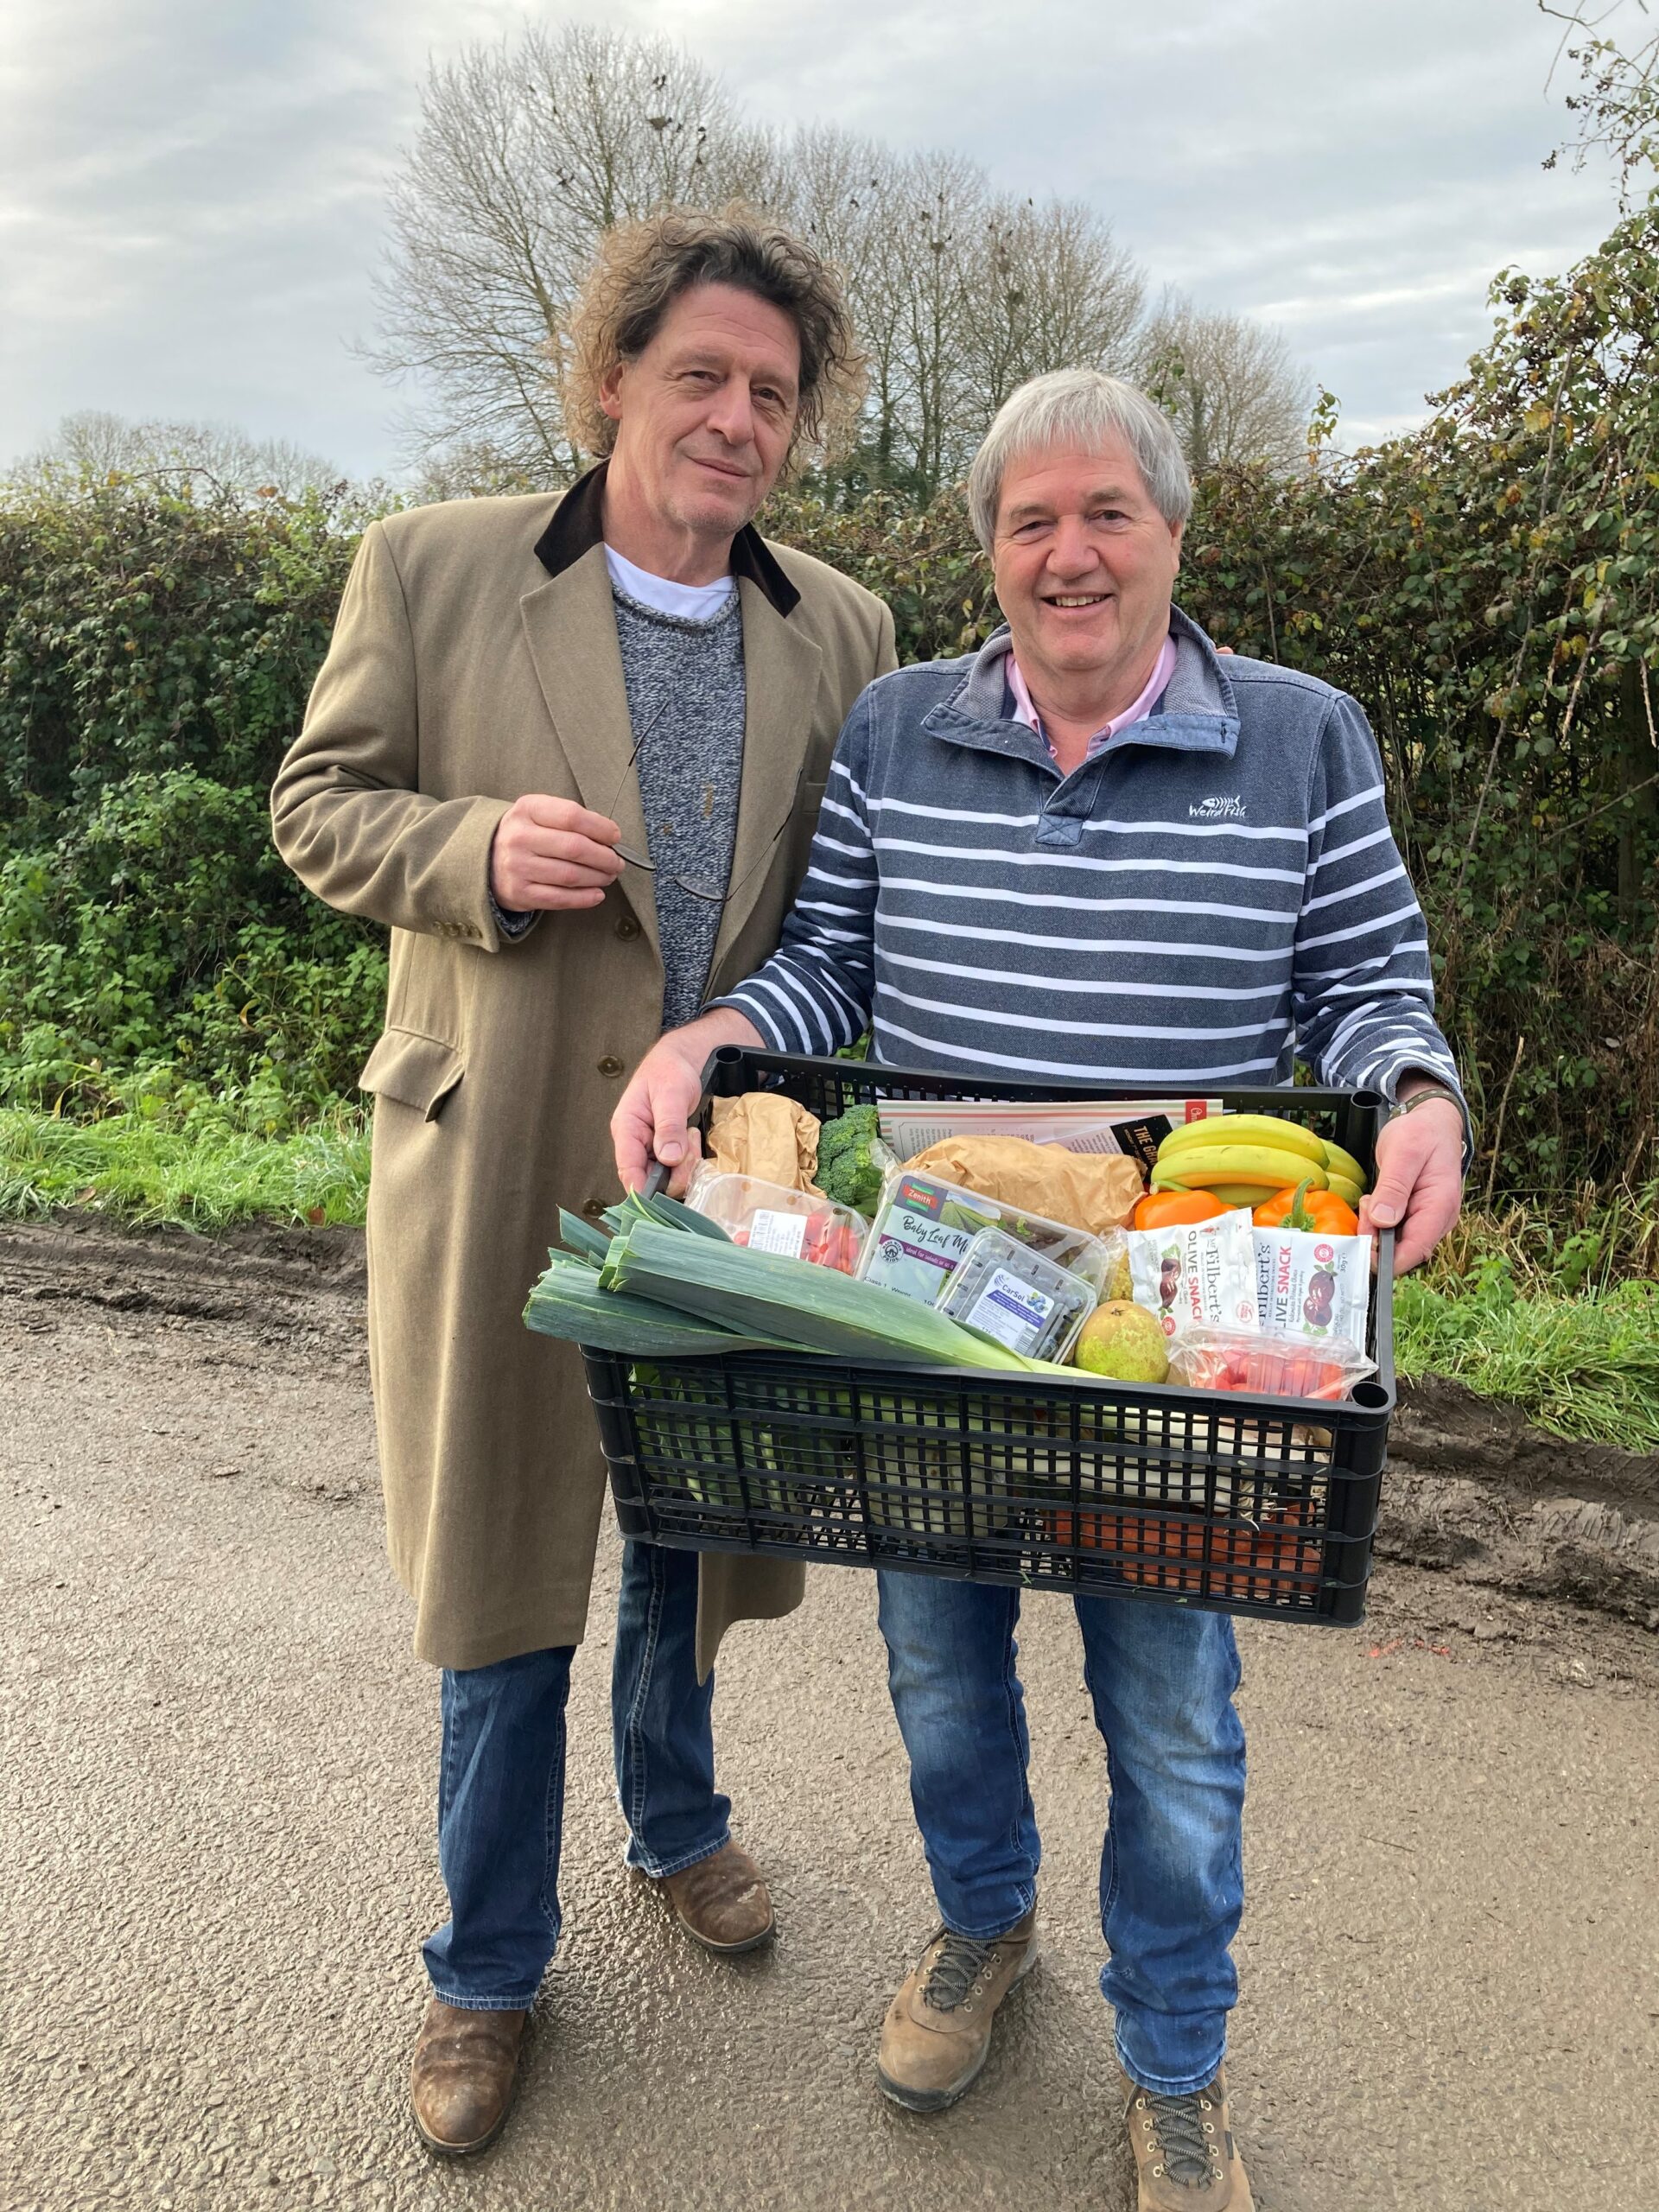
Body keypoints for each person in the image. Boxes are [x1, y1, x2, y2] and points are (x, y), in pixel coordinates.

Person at [612, 368, 1465, 2211]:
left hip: (1168, 1324)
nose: (1069, 554)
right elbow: (830, 962)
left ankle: (1175, 2061)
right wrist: (719, 1032)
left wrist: (1416, 1097)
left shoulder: (1303, 738)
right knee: (937, 1665)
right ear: (989, 548)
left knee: (1172, 1713)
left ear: (1174, 530)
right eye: (1030, 521)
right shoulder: (902, 728)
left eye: (1107, 515)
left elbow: (1369, 982)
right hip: (934, 1304)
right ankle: (984, 1924)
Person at [271, 209, 895, 2158]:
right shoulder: (437, 564)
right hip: (507, 1135)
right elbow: (315, 803)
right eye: (698, 373)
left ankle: (678, 1820)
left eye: (770, 392)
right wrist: (463, 848)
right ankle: (483, 1961)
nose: (734, 418)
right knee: (509, 1552)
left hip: (720, 1172)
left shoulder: (846, 629)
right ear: (610, 373)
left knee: (686, 1529)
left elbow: (857, 910)